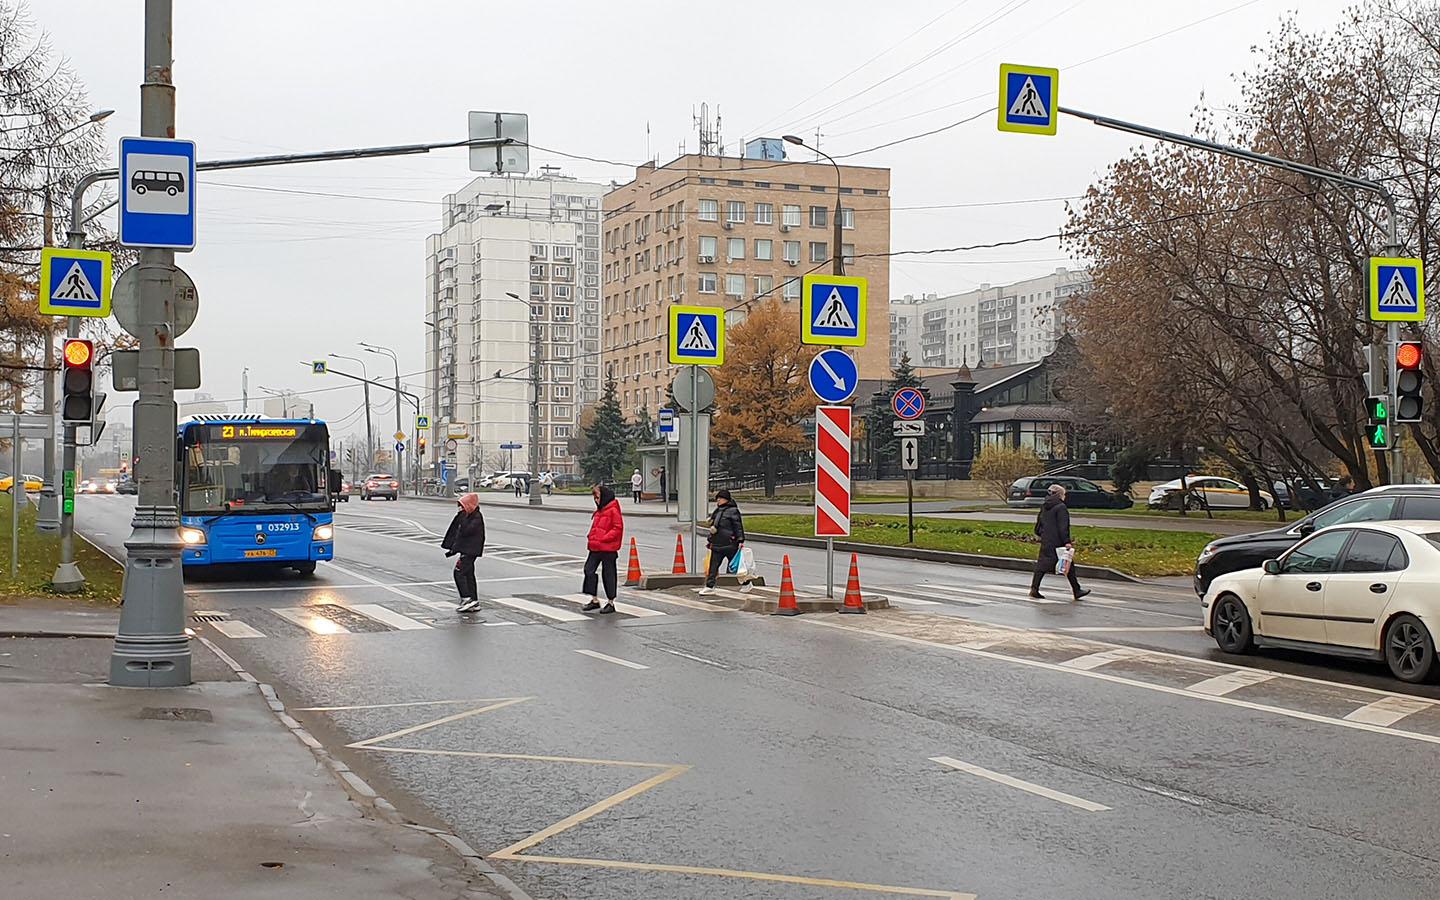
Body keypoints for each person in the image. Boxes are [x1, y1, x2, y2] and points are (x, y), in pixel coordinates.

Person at [1031, 483, 1089, 601]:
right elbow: (1063, 526)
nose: (1065, 497)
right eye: (1064, 494)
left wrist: (1041, 533)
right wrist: (1067, 541)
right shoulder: (1061, 507)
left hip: (1046, 539)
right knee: (1068, 564)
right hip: (1058, 541)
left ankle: (1034, 588)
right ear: (1060, 495)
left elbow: (1039, 523)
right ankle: (1076, 590)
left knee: (1042, 565)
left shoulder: (1045, 506)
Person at [582, 484, 624, 613]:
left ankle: (611, 602)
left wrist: (604, 538)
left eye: (597, 497)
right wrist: (591, 537)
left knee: (609, 574)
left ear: (604, 497)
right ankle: (594, 600)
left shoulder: (612, 510)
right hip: (595, 547)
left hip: (608, 549)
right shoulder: (600, 510)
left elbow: (618, 528)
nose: (596, 500)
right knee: (588, 570)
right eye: (594, 497)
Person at [442, 492, 486, 613]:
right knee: (469, 574)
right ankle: (474, 600)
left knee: (459, 573)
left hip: (470, 551)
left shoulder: (475, 517)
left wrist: (461, 518)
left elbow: (465, 531)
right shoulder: (470, 516)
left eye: (462, 506)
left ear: (469, 506)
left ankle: (467, 598)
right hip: (468, 550)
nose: (460, 509)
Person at [700, 489, 751, 595]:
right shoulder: (718, 511)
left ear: (726, 499)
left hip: (729, 544)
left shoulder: (733, 511)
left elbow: (738, 526)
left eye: (720, 498)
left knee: (736, 566)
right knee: (713, 566)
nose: (718, 500)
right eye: (717, 498)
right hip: (717, 543)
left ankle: (746, 583)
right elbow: (715, 524)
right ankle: (710, 586)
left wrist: (740, 539)